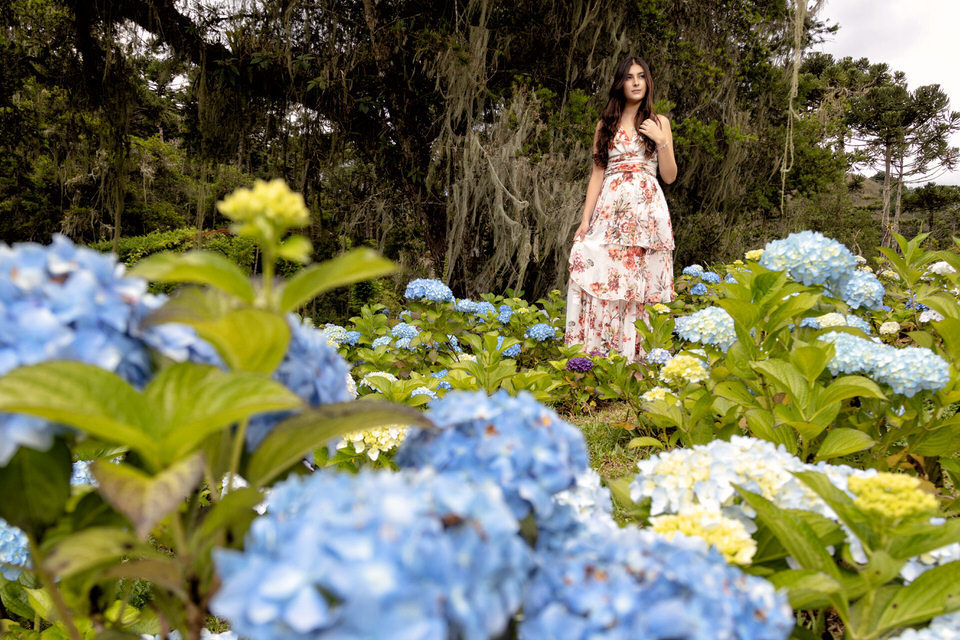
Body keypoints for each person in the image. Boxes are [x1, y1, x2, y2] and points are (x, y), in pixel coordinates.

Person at [564, 55, 677, 362]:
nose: (637, 82)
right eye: (630, 77)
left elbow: (669, 176)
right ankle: (601, 360)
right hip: (611, 212)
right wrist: (585, 221)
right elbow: (597, 173)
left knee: (642, 285)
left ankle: (638, 364)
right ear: (620, 83)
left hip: (648, 214)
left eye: (642, 76)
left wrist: (661, 141)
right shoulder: (606, 124)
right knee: (604, 272)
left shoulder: (659, 123)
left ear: (648, 81)